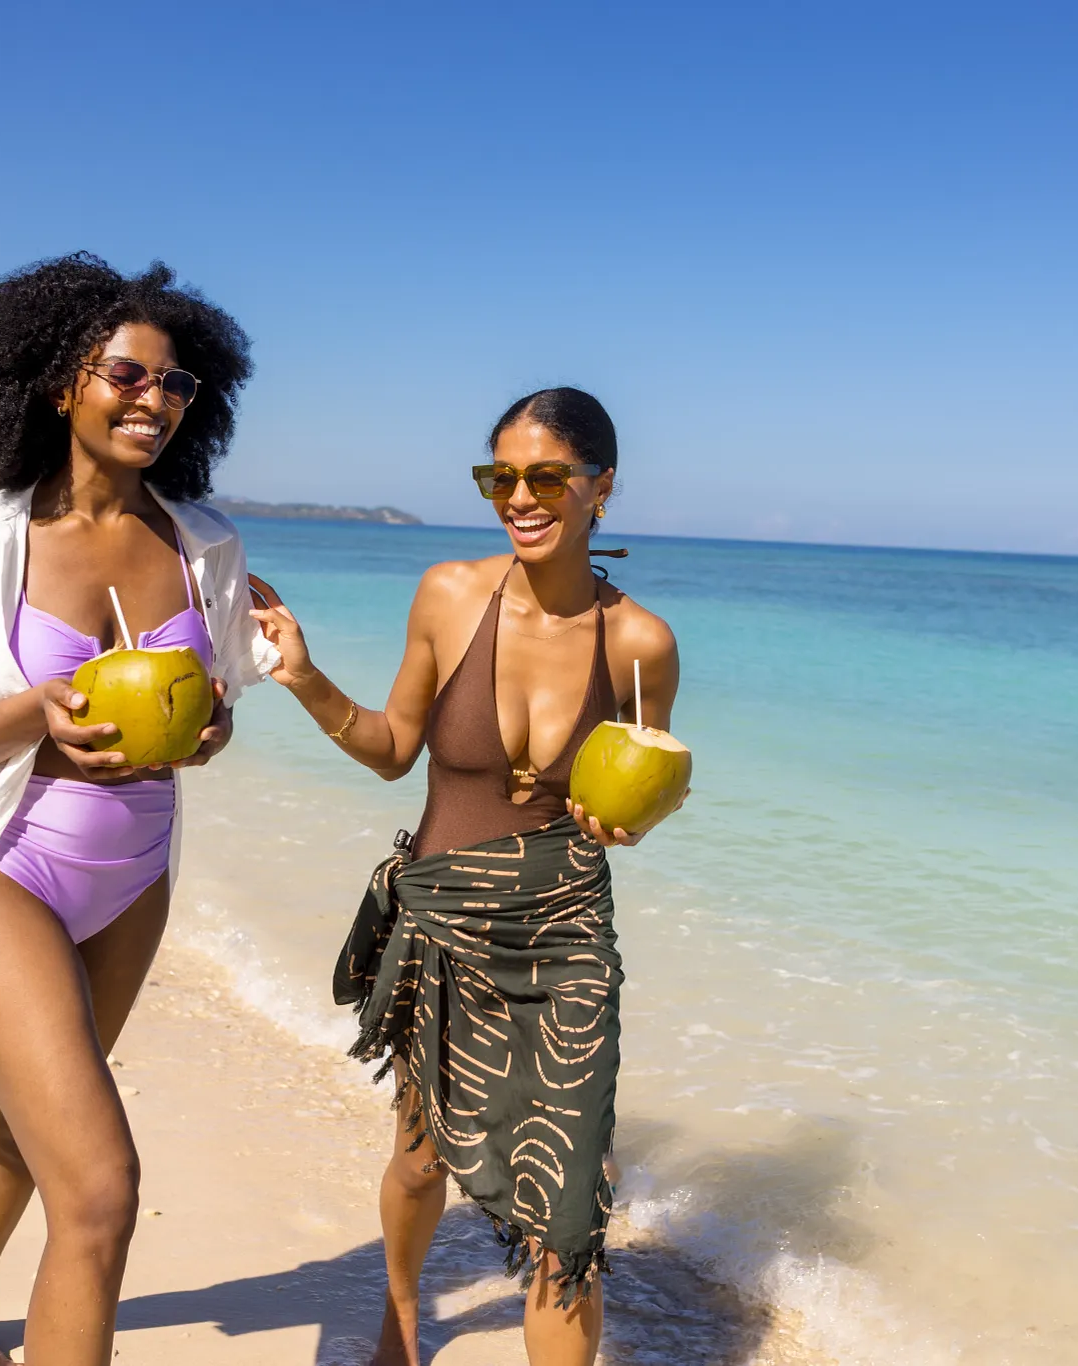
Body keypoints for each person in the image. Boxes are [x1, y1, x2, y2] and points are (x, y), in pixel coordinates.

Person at [0, 253, 269, 1366]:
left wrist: (207, 732)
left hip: (135, 874)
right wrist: (34, 712)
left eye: (176, 386)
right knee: (102, 1187)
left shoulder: (203, 542)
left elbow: (210, 715)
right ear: (56, 381)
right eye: (128, 372)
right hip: (5, 869)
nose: (154, 400)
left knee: (26, 1128)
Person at [252, 387, 682, 1366]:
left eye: (545, 477)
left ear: (599, 487)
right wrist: (304, 676)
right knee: (418, 1160)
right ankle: (401, 1323)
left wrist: (628, 826)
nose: (519, 497)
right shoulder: (448, 593)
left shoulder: (641, 643)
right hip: (444, 919)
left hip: (566, 935)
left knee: (564, 1218)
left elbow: (635, 795)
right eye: (501, 477)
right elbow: (393, 746)